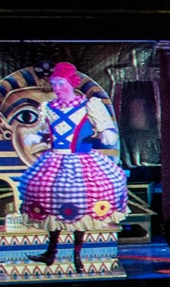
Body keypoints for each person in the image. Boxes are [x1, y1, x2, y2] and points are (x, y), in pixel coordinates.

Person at [16, 61, 128, 272]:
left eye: (61, 83)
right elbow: (46, 131)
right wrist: (36, 137)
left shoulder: (89, 105)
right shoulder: (49, 108)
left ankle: (77, 255)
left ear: (71, 83)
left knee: (81, 206)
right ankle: (51, 252)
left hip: (82, 161)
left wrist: (106, 134)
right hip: (55, 161)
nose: (57, 88)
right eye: (54, 84)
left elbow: (105, 128)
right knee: (51, 203)